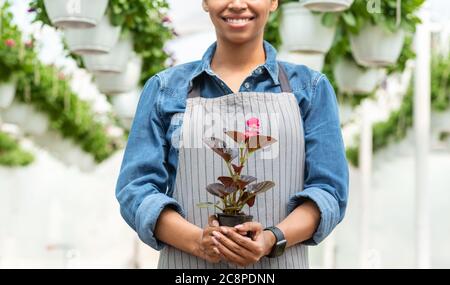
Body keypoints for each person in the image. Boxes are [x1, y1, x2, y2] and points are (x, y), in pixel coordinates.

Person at [115, 0, 348, 269]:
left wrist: (272, 239)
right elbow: (136, 188)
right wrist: (196, 241)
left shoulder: (310, 89)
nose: (237, 4)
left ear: (273, 2)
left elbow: (329, 191)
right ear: (204, 2)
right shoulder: (165, 89)